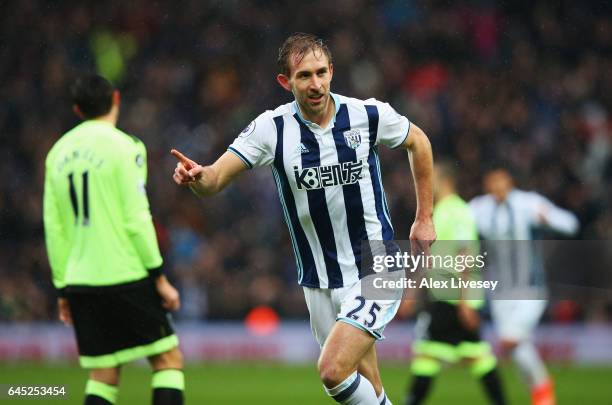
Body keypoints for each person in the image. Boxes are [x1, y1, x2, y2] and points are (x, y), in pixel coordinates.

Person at [171, 33, 436, 404]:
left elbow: (418, 141)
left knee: (332, 371)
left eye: (321, 73)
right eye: (304, 76)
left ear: (332, 72)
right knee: (367, 385)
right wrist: (198, 177)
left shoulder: (367, 114)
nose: (316, 84)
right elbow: (215, 178)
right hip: (319, 278)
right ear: (286, 82)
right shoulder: (272, 129)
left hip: (375, 265)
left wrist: (424, 217)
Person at [43, 75, 185, 405]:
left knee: (104, 375)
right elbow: (136, 219)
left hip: (81, 279)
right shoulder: (127, 147)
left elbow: (55, 228)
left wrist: (63, 287)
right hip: (125, 274)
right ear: (116, 99)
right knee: (168, 361)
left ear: (77, 109)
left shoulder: (56, 154)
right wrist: (159, 277)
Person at [469, 166, 579, 405]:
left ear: (509, 181)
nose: (497, 186)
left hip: (531, 289)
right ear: (487, 184)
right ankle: (541, 394)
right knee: (515, 346)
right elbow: (458, 224)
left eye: (501, 181)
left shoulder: (528, 203)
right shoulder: (479, 208)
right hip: (499, 293)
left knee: (511, 340)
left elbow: (571, 223)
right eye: (492, 182)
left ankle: (543, 390)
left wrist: (548, 218)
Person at [403, 161, 506, 405]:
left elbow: (465, 256)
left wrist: (464, 302)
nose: (427, 183)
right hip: (445, 298)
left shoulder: (456, 211)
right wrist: (412, 293)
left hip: (452, 299)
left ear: (444, 181)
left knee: (427, 355)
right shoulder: (440, 211)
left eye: (432, 178)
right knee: (476, 356)